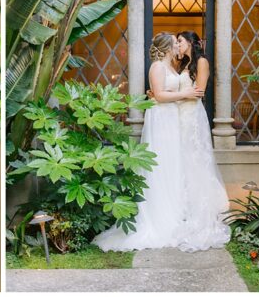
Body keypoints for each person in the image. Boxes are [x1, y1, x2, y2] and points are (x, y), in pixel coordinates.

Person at [93, 31, 229, 252]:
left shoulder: (181, 65)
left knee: (180, 164)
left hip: (179, 117)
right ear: (167, 47)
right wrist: (173, 94)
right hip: (166, 118)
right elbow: (162, 93)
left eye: (180, 41)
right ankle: (165, 215)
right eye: (175, 43)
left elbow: (179, 91)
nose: (178, 46)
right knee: (165, 164)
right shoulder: (159, 66)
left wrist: (165, 94)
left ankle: (185, 212)